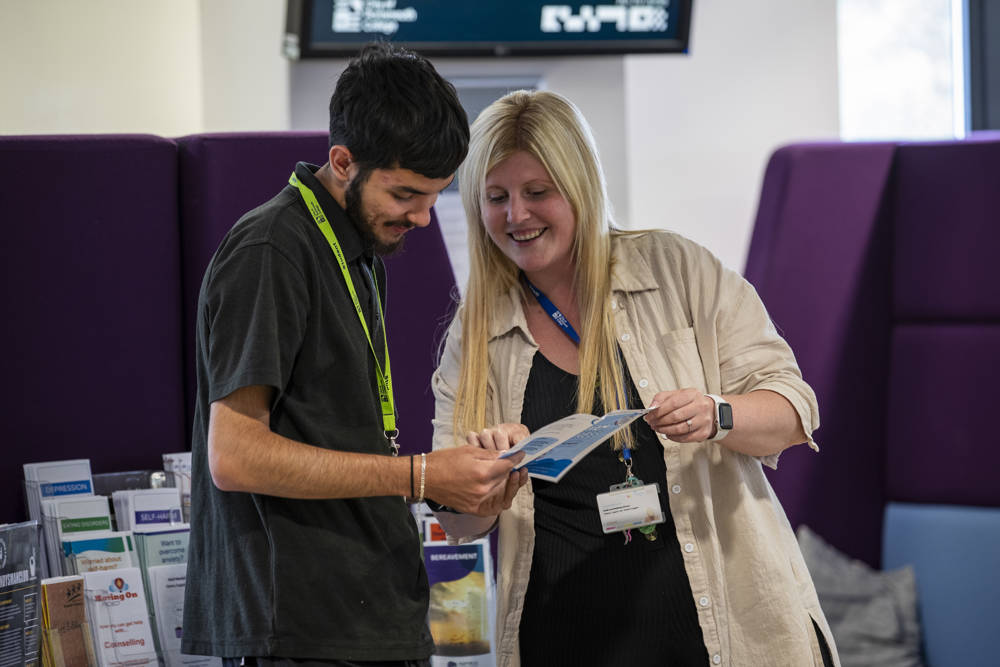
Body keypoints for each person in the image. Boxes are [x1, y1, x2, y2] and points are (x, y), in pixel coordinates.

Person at [431, 90, 840, 667]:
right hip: (563, 637)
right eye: (496, 198)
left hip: (718, 631)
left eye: (537, 193)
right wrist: (485, 483)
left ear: (579, 186)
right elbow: (456, 520)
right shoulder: (475, 331)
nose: (516, 216)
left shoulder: (676, 269)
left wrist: (718, 414)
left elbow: (795, 413)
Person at [182, 43, 525, 667]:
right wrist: (421, 475)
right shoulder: (271, 250)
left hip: (366, 614)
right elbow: (234, 456)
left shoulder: (358, 249)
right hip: (299, 628)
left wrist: (454, 480)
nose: (422, 218)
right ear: (342, 161)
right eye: (405, 195)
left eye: (435, 197)